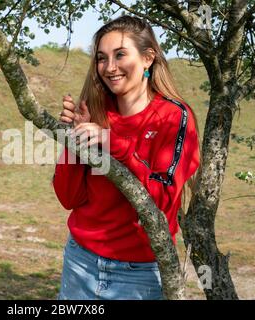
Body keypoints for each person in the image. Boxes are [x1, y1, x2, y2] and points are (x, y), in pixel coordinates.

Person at [53, 15, 200, 300]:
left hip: (139, 274)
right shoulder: (96, 111)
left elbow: (162, 198)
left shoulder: (174, 116)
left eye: (120, 55)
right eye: (101, 58)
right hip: (80, 261)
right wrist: (74, 142)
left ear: (148, 58)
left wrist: (114, 144)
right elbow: (68, 198)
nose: (110, 67)